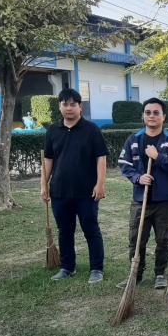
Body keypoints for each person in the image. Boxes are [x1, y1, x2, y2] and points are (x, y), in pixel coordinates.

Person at [41, 88, 108, 283]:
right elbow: (48, 160)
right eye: (65, 104)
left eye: (73, 104)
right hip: (60, 191)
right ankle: (67, 267)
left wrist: (100, 184)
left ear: (80, 107)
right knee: (65, 231)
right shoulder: (53, 131)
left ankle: (97, 268)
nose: (69, 108)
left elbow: (101, 157)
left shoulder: (92, 129)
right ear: (59, 106)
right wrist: (44, 184)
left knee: (91, 230)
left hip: (87, 191)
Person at [117, 98, 168, 290]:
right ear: (143, 116)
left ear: (164, 116)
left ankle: (160, 274)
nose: (151, 116)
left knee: (163, 239)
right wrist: (138, 178)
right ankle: (136, 274)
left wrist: (158, 157)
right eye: (148, 112)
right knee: (136, 238)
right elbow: (124, 164)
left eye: (156, 112)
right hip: (141, 199)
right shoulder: (133, 139)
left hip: (165, 200)